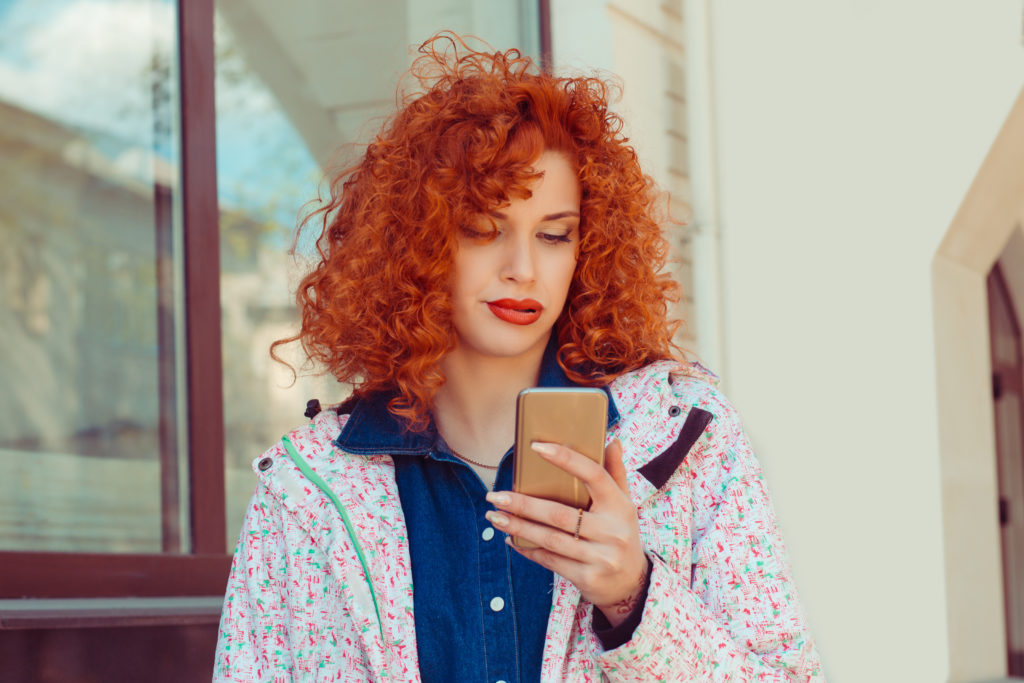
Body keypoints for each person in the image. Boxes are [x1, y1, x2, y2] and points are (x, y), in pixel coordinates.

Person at [213, 33, 823, 682]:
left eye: (555, 234)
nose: (524, 269)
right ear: (416, 243)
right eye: (483, 229)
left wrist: (634, 596)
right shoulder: (306, 490)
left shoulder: (690, 442)